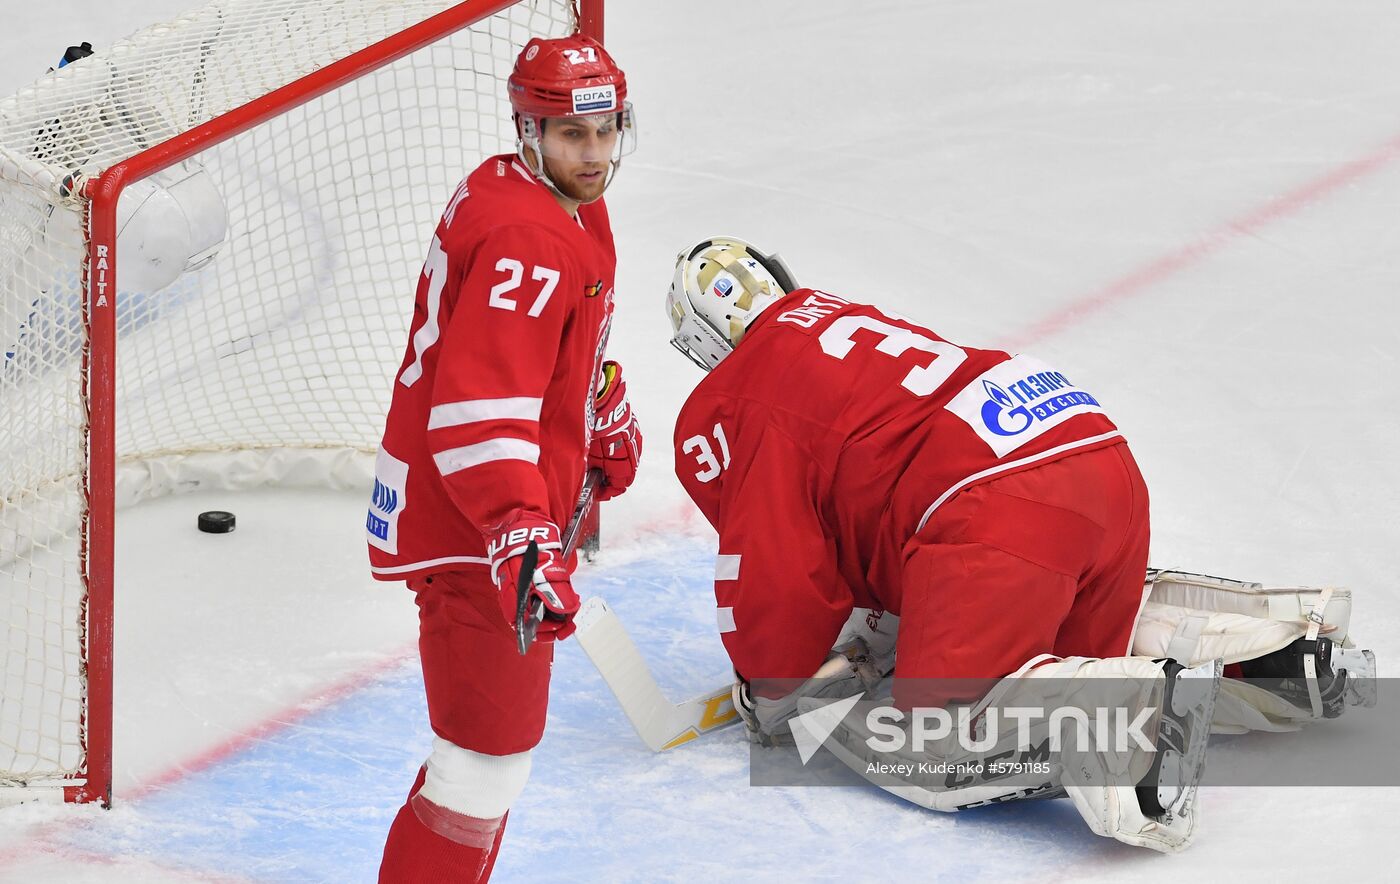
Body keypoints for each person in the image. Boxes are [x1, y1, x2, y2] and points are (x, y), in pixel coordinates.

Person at [663, 236, 1371, 853]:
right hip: (1095, 457)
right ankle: (1276, 652)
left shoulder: (737, 397)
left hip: (995, 510)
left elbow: (772, 565)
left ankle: (1127, 721)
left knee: (934, 744)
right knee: (1062, 637)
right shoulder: (844, 318)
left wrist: (778, 683)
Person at [365, 34, 641, 882]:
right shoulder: (528, 238)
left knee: (483, 763)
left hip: (473, 504)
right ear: (529, 131)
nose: (592, 155)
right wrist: (520, 529)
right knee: (481, 764)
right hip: (472, 521)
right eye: (570, 136)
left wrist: (593, 401)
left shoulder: (538, 194)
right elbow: (475, 407)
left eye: (605, 132)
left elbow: (537, 348)